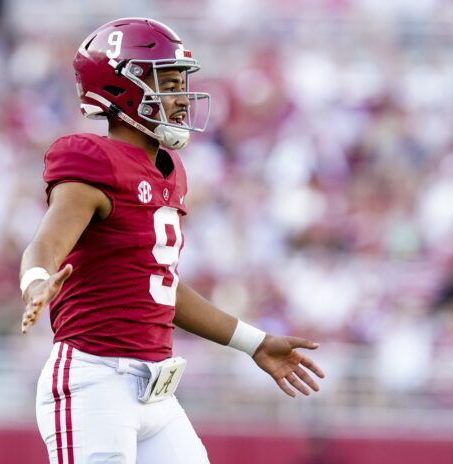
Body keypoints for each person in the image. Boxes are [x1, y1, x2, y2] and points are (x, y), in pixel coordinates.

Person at [20, 17, 325, 464]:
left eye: (181, 82)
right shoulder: (93, 160)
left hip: (155, 393)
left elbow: (159, 285)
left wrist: (254, 343)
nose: (181, 98)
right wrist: (36, 281)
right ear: (122, 87)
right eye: (166, 82)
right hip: (95, 384)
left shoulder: (170, 170)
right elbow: (46, 242)